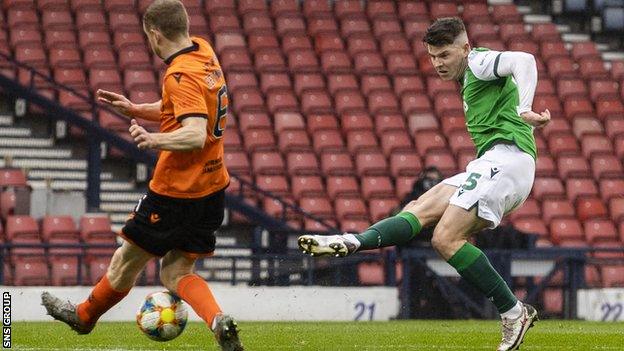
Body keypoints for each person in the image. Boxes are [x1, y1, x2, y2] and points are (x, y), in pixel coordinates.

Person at [298, 17, 549, 351]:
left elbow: (524, 60)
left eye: (444, 55)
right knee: (419, 208)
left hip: (508, 159)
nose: (437, 64)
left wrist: (525, 108)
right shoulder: (468, 75)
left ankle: (513, 312)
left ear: (464, 48)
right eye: (432, 56)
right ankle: (353, 240)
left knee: (446, 238)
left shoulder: (478, 62)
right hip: (492, 160)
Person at [41, 1, 243, 350]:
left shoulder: (178, 74)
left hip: (175, 191)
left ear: (154, 33)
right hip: (212, 189)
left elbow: (194, 132)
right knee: (176, 272)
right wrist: (136, 109)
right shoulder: (203, 52)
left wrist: (154, 139)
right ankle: (217, 320)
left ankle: (84, 317)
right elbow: (182, 108)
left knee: (126, 260)